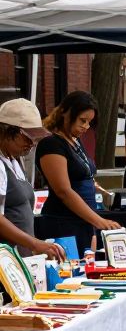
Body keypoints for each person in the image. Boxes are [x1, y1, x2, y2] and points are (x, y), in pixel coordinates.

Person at [35, 91, 120, 257]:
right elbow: (63, 191)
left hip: (85, 222)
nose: (86, 127)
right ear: (66, 113)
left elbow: (84, 175)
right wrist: (98, 221)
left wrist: (93, 224)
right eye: (82, 120)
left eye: (89, 122)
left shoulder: (75, 141)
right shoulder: (51, 144)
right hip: (63, 223)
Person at [0, 100, 64, 260]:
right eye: (28, 138)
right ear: (7, 131)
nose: (32, 144)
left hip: (19, 258)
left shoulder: (15, 159)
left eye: (35, 139)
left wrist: (34, 246)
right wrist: (35, 244)